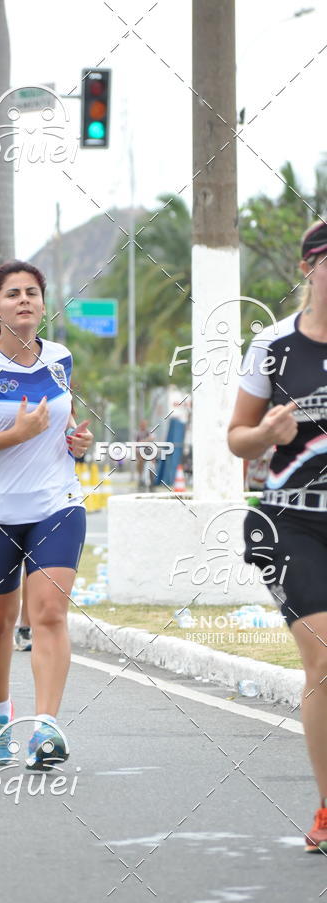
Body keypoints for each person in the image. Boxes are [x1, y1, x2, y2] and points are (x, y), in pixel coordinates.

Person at [0, 260, 93, 770]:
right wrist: (17, 436)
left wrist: (78, 440)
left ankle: (46, 729)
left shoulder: (60, 359)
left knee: (49, 613)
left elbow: (65, 421)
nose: (25, 300)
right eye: (13, 294)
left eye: (33, 292)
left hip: (56, 502)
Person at [228, 220, 327, 853]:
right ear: (307, 270)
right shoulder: (272, 347)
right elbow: (236, 437)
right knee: (323, 658)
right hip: (290, 521)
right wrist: (268, 434)